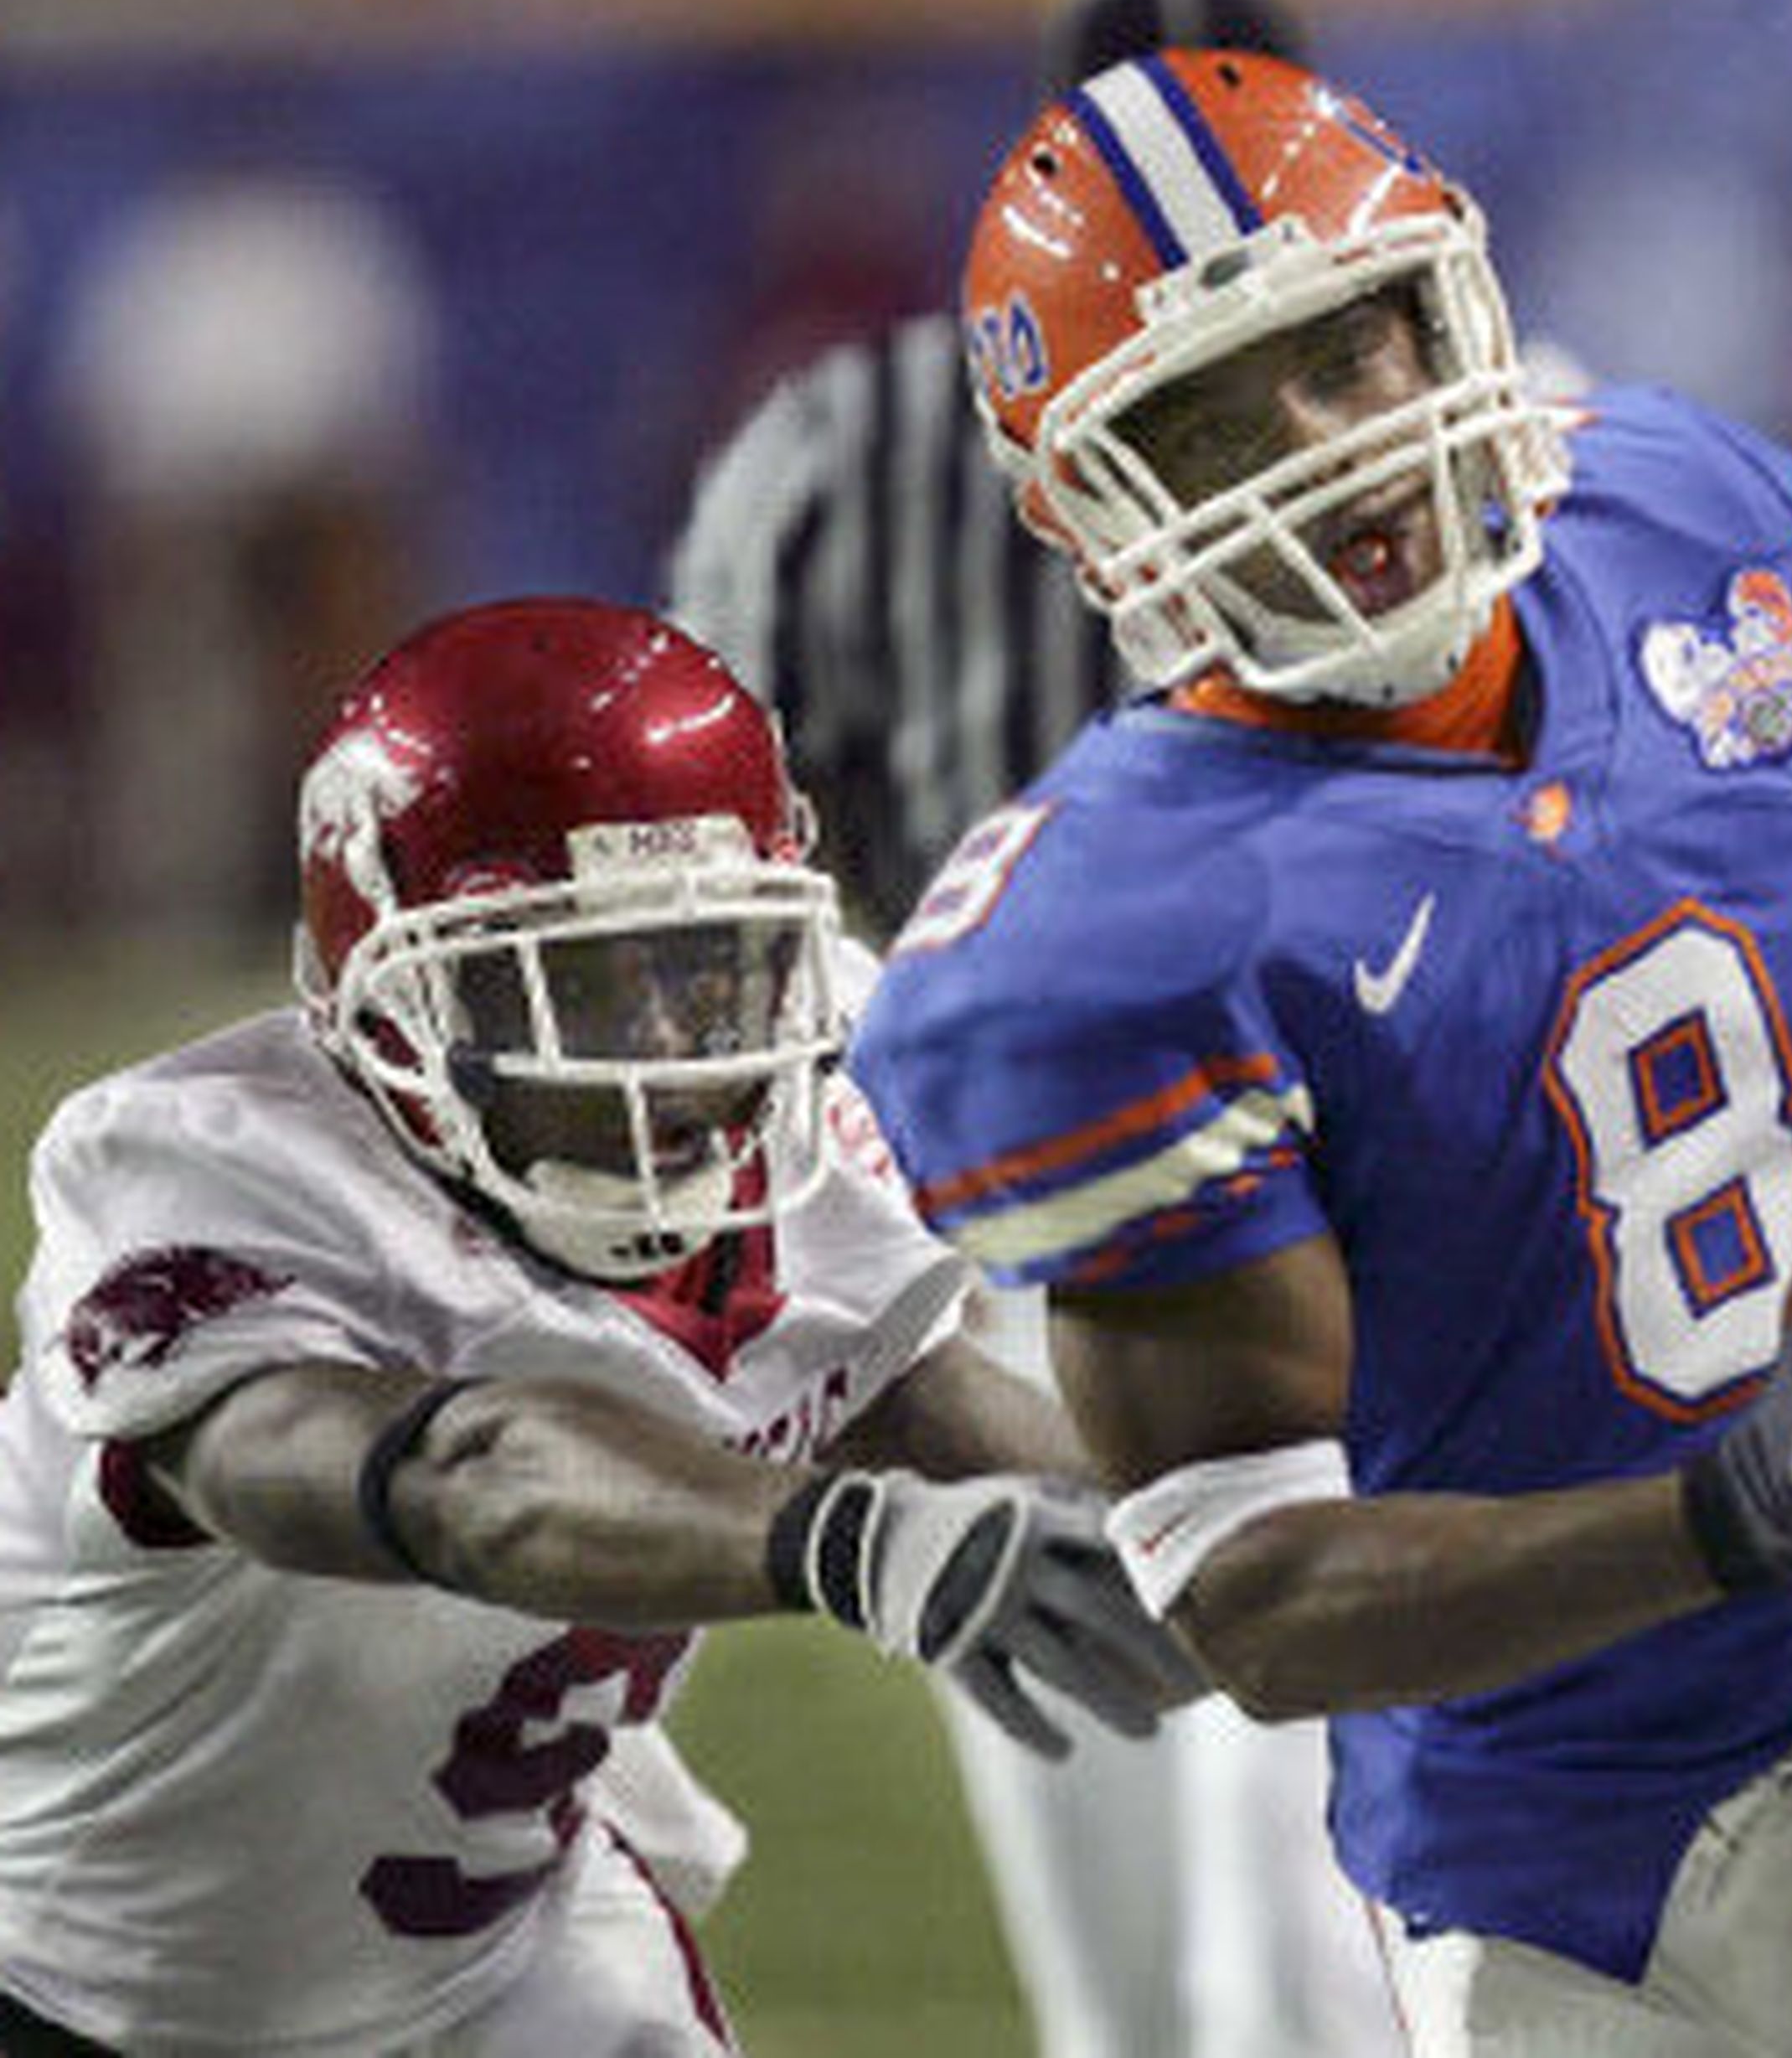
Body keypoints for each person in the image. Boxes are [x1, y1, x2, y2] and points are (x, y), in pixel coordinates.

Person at [850, 47, 1792, 2058]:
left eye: (1347, 351)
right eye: (1207, 415)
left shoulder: (1686, 526)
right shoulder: (1104, 944)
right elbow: (1255, 1589)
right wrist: (1735, 1513)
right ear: (1089, 498)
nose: (1326, 447)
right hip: (1535, 1853)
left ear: (1450, 304)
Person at [0, 597, 1196, 2055]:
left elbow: (894, 1382)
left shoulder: (807, 1121)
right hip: (77, 1992)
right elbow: (467, 1480)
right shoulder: (209, 1178)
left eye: (709, 973)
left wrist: (1199, 1522)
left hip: (503, 1959)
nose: (677, 1061)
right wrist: (856, 1544)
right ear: (392, 1007)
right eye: (586, 988)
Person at [666, 0, 1401, 2058]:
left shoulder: (847, 438)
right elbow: (724, 864)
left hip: (1278, 1202)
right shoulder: (850, 451)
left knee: (1281, 1906)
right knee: (1162, 1917)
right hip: (1023, 1209)